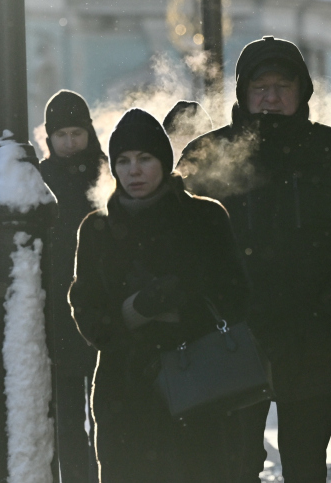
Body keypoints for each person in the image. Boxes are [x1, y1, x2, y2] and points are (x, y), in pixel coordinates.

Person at [178, 36, 331, 481]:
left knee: (306, 462)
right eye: (260, 86)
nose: (271, 97)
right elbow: (177, 240)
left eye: (282, 86)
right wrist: (209, 311)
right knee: (233, 464)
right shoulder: (207, 153)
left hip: (311, 334)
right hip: (232, 337)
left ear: (302, 90)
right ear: (243, 92)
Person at [69, 108, 250, 482]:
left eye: (145, 159)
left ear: (164, 162)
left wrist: (184, 303)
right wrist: (133, 311)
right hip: (124, 390)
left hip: (197, 383)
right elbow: (85, 306)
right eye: (124, 161)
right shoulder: (98, 229)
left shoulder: (205, 218)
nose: (134, 170)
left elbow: (236, 296)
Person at [39, 89, 107, 482]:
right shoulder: (41, 178)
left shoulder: (106, 172)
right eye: (61, 134)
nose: (69, 142)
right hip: (59, 310)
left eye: (76, 133)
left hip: (100, 303)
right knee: (67, 417)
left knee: (104, 409)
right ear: (49, 138)